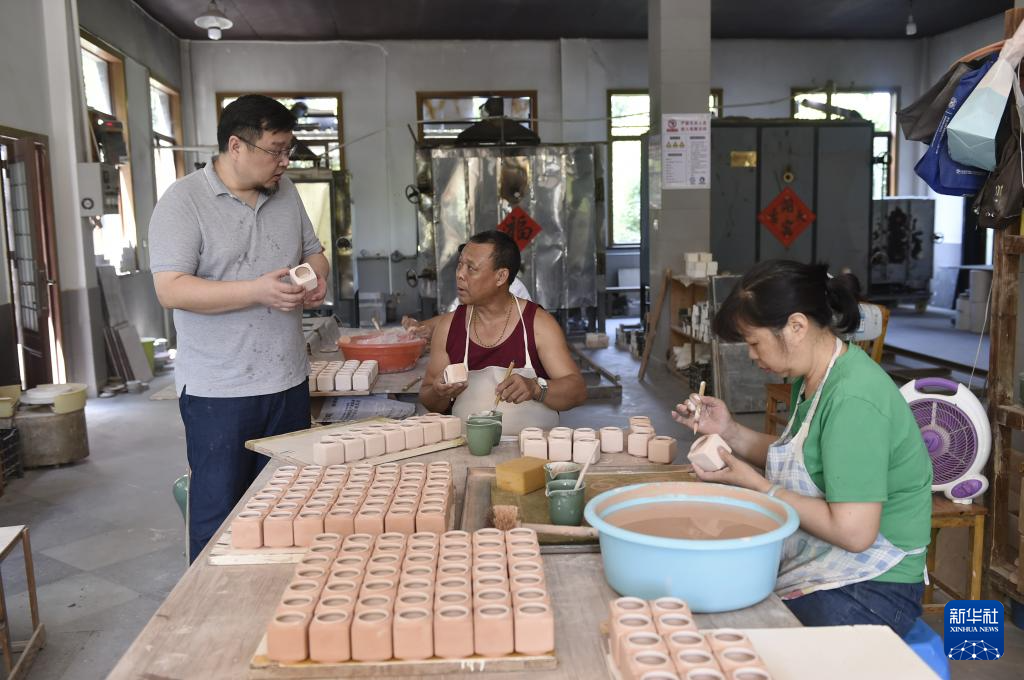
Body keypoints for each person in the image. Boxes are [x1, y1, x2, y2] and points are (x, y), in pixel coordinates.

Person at [673, 260, 931, 636]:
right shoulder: (813, 376)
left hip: (874, 588)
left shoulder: (854, 399)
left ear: (796, 326)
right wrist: (729, 431)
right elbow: (802, 457)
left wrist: (759, 487)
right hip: (829, 563)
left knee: (737, 629)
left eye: (754, 342)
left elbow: (855, 533)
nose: (751, 355)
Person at [150, 94, 329, 562]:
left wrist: (316, 278)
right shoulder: (183, 201)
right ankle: (210, 605)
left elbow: (314, 253)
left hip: (288, 381)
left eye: (289, 150)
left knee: (288, 509)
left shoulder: (286, 193)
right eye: (276, 150)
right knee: (220, 517)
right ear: (236, 146)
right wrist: (256, 291)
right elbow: (171, 289)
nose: (285, 162)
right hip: (219, 391)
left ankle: (280, 599)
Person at [419, 230, 586, 433]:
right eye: (460, 265)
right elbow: (428, 398)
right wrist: (439, 392)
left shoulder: (538, 324)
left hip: (531, 449)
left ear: (500, 277)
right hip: (469, 448)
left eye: (471, 268)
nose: (460, 274)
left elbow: (577, 391)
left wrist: (536, 388)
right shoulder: (448, 327)